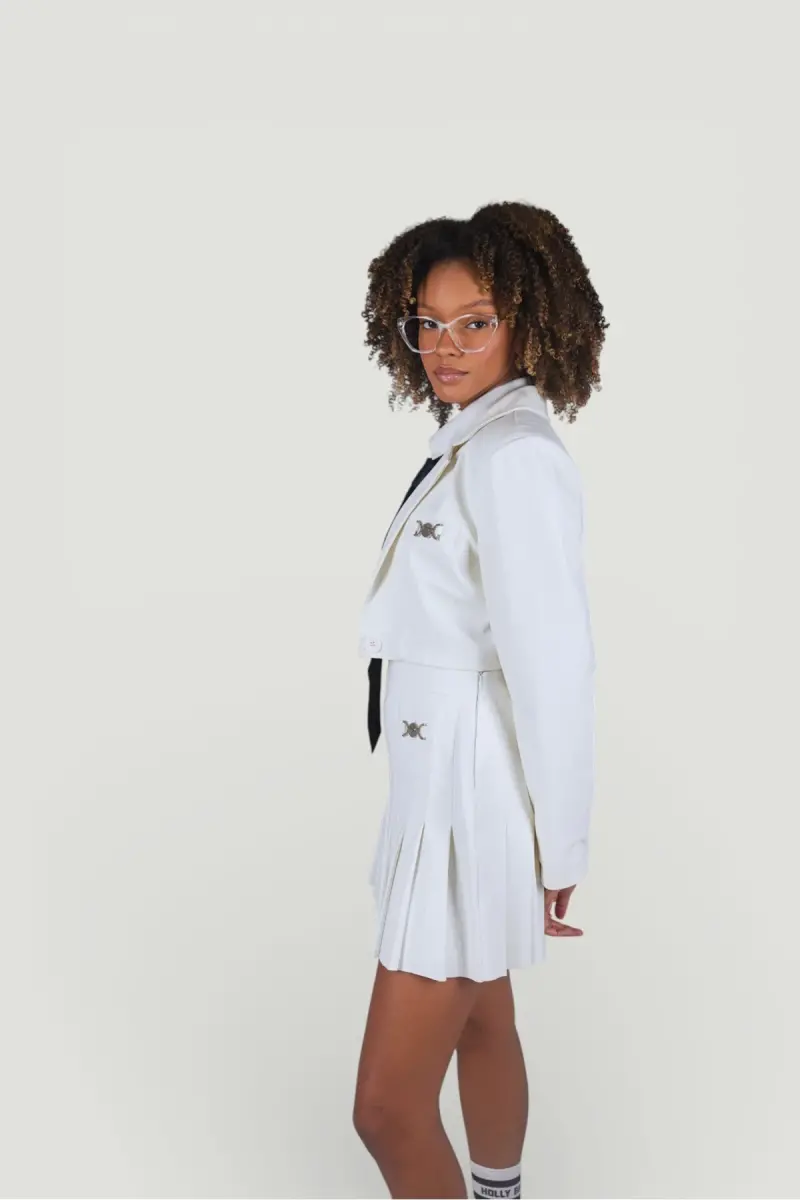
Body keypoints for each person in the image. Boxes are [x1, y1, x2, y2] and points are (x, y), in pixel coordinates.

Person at [352, 201, 608, 1200]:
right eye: (428, 321)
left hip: (467, 803)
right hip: (439, 787)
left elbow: (556, 666)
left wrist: (561, 844)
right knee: (485, 1019)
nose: (444, 346)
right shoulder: (470, 436)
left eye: (476, 321)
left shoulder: (514, 459)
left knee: (384, 1110)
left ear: (529, 321)